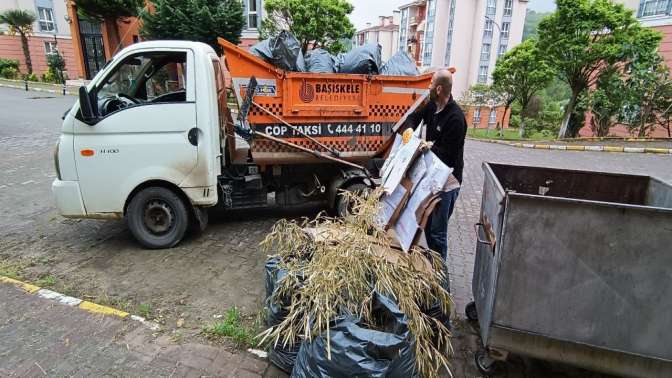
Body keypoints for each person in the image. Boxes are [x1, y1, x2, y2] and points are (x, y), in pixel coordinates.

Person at [405, 68, 467, 292]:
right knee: (428, 229)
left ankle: (442, 291)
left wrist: (425, 148)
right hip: (432, 177)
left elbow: (448, 156)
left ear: (439, 89)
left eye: (431, 84)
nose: (428, 87)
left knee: (437, 235)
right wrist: (411, 133)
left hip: (448, 183)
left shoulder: (456, 119)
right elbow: (413, 117)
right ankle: (433, 276)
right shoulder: (432, 105)